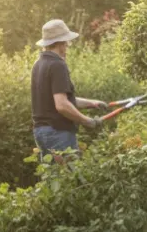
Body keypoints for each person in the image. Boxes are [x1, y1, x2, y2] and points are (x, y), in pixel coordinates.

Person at [30, 19, 108, 154]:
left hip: (41, 132)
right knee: (70, 174)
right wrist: (87, 121)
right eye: (67, 43)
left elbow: (62, 99)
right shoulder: (57, 65)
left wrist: (92, 103)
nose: (67, 46)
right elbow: (61, 105)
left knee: (54, 174)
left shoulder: (38, 64)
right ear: (60, 43)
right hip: (57, 132)